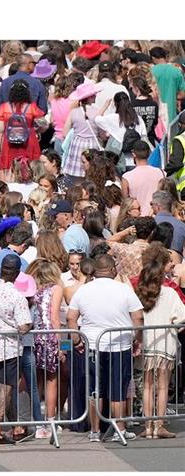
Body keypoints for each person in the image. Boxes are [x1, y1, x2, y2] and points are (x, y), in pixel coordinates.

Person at [67, 254, 144, 443]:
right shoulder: (124, 290)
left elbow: (71, 317)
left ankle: (95, 431)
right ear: (112, 269)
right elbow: (138, 318)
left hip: (92, 344)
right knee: (118, 388)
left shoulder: (84, 290)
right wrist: (137, 339)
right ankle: (119, 427)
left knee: (95, 389)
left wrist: (76, 340)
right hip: (120, 344)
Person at [0, 254, 33, 444]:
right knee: (6, 389)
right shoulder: (17, 297)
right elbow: (24, 325)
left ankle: (16, 426)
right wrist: (30, 326)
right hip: (9, 346)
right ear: (17, 273)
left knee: (4, 387)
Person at [134, 243, 185, 439]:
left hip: (148, 343)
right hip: (165, 344)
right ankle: (159, 425)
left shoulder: (141, 294)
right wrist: (176, 327)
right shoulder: (169, 293)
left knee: (147, 385)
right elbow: (182, 316)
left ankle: (147, 427)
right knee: (162, 386)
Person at [25, 259, 65, 439]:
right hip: (50, 336)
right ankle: (50, 419)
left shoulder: (33, 291)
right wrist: (61, 344)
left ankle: (37, 420)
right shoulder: (56, 289)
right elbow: (54, 316)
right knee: (52, 380)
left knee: (37, 380)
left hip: (34, 336)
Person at [0, 79, 45, 181]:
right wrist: (35, 131)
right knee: (31, 165)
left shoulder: (4, 107)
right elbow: (44, 125)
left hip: (9, 144)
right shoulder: (32, 107)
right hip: (29, 141)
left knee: (8, 167)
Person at [94, 92, 148, 172]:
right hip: (135, 160)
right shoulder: (138, 118)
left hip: (119, 161)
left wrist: (106, 105)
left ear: (116, 104)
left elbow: (96, 119)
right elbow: (144, 135)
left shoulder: (114, 118)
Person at [122, 141, 166, 216]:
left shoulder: (126, 177)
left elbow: (125, 203)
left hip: (138, 219)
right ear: (149, 153)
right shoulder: (161, 173)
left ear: (133, 153)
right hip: (158, 217)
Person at [150, 46, 185, 125]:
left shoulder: (150, 71)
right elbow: (183, 94)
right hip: (172, 113)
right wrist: (171, 95)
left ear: (153, 58)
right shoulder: (176, 71)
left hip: (156, 112)